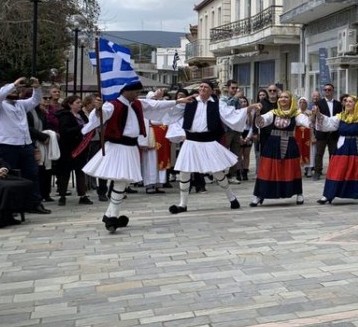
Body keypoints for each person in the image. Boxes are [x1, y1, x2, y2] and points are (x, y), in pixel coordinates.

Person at [81, 82, 187, 233]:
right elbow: (101, 116)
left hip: (131, 147)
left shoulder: (137, 103)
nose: (138, 94)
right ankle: (111, 218)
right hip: (117, 146)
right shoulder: (112, 105)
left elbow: (154, 106)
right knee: (120, 182)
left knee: (121, 182)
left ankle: (110, 215)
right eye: (136, 91)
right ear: (126, 91)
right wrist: (98, 110)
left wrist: (177, 101)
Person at [169, 82, 251, 215]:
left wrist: (248, 108)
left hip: (208, 141)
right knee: (184, 172)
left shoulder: (217, 103)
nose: (202, 89)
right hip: (191, 141)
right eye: (201, 86)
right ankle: (182, 204)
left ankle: (232, 198)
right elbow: (174, 115)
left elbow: (232, 114)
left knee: (217, 172)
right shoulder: (189, 101)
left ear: (212, 91)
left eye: (205, 87)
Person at [0, 77, 49, 214]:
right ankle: (10, 206)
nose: (16, 91)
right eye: (13, 89)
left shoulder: (20, 104)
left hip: (24, 144)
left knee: (31, 174)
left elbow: (34, 100)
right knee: (9, 176)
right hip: (6, 145)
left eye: (17, 89)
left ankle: (34, 203)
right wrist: (13, 84)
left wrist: (37, 88)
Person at [311, 94, 358, 204]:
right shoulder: (341, 116)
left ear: (356, 104)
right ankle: (328, 194)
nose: (347, 103)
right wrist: (319, 114)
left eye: (350, 101)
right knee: (336, 170)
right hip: (342, 147)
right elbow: (328, 123)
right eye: (346, 101)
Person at [249, 91, 309, 206]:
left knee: (292, 169)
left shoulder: (296, 114)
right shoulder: (273, 112)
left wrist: (314, 116)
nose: (283, 99)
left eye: (286, 97)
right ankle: (259, 195)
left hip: (290, 144)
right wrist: (258, 114)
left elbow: (308, 123)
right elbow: (261, 123)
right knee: (267, 169)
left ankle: (299, 193)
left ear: (291, 100)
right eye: (281, 97)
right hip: (273, 144)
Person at [53, 95, 93, 206]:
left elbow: (88, 126)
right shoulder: (65, 115)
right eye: (77, 102)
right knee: (65, 173)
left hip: (81, 148)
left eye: (80, 102)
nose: (80, 104)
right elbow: (65, 130)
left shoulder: (81, 115)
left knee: (80, 172)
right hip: (68, 148)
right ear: (70, 104)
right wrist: (81, 128)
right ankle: (62, 195)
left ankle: (83, 195)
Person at [312, 83, 342, 180]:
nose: (327, 91)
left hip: (333, 133)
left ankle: (333, 171)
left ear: (333, 91)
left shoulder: (338, 104)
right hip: (321, 132)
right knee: (319, 153)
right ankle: (317, 171)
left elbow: (340, 118)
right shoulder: (319, 103)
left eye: (329, 90)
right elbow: (315, 118)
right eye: (326, 90)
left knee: (333, 153)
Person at [221, 79, 244, 184]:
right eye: (233, 88)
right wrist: (235, 98)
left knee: (235, 153)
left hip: (235, 130)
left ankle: (232, 174)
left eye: (236, 88)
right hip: (226, 130)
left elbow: (239, 114)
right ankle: (220, 175)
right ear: (228, 88)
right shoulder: (223, 99)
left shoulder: (238, 101)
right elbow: (225, 110)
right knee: (223, 152)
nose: (235, 90)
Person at [237, 96, 253, 182]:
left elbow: (252, 126)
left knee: (246, 154)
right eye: (241, 102)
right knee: (239, 155)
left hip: (248, 133)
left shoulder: (251, 112)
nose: (243, 103)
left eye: (245, 101)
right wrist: (239, 137)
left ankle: (245, 171)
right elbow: (235, 125)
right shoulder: (236, 112)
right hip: (239, 133)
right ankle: (238, 171)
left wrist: (247, 137)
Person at [295, 97, 313, 177]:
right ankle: (298, 169)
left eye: (304, 102)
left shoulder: (310, 113)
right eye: (301, 102)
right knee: (298, 150)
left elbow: (312, 124)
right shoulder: (295, 113)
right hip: (298, 133)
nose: (302, 104)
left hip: (308, 133)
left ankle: (308, 170)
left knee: (309, 151)